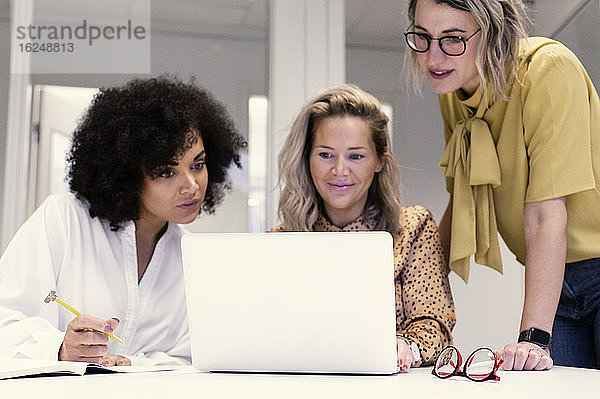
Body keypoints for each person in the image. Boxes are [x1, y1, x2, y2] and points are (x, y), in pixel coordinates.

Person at [404, 0, 600, 370]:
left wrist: (533, 339)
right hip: (554, 280)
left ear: (493, 30)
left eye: (453, 38)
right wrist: (411, 285)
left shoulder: (546, 70)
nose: (433, 57)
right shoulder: (455, 92)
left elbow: (544, 212)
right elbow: (460, 197)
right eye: (423, 37)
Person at [0, 76, 246, 366]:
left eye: (198, 164)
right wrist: (60, 348)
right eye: (167, 172)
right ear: (127, 174)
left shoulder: (192, 257)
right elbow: (5, 322)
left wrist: (134, 365)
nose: (191, 185)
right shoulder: (64, 220)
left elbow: (192, 358)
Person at [273, 84, 456, 370]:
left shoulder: (413, 228)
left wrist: (407, 347)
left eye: (356, 156)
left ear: (379, 160)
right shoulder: (280, 241)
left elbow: (434, 326)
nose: (340, 170)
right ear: (306, 158)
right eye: (325, 155)